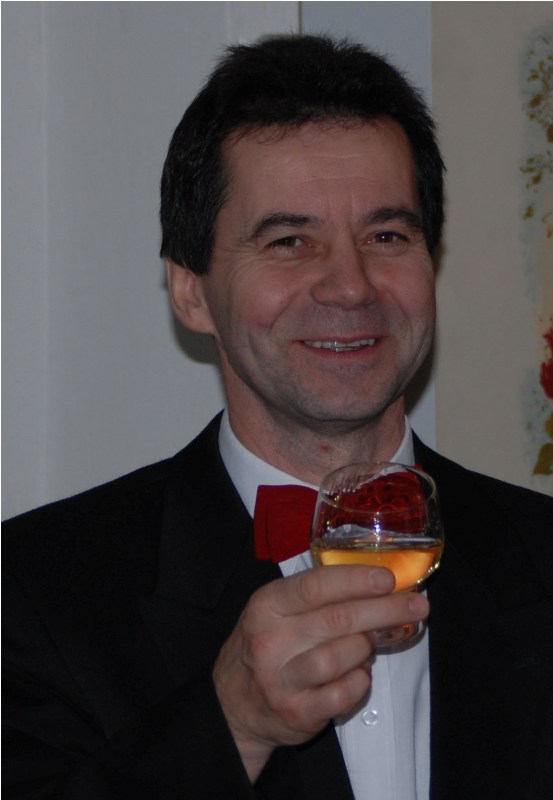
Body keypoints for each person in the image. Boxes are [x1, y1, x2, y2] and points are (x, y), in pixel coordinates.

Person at [3, 34, 552, 800]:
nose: (350, 286)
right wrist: (230, 725)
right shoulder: (32, 592)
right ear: (191, 291)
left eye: (386, 235)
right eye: (290, 241)